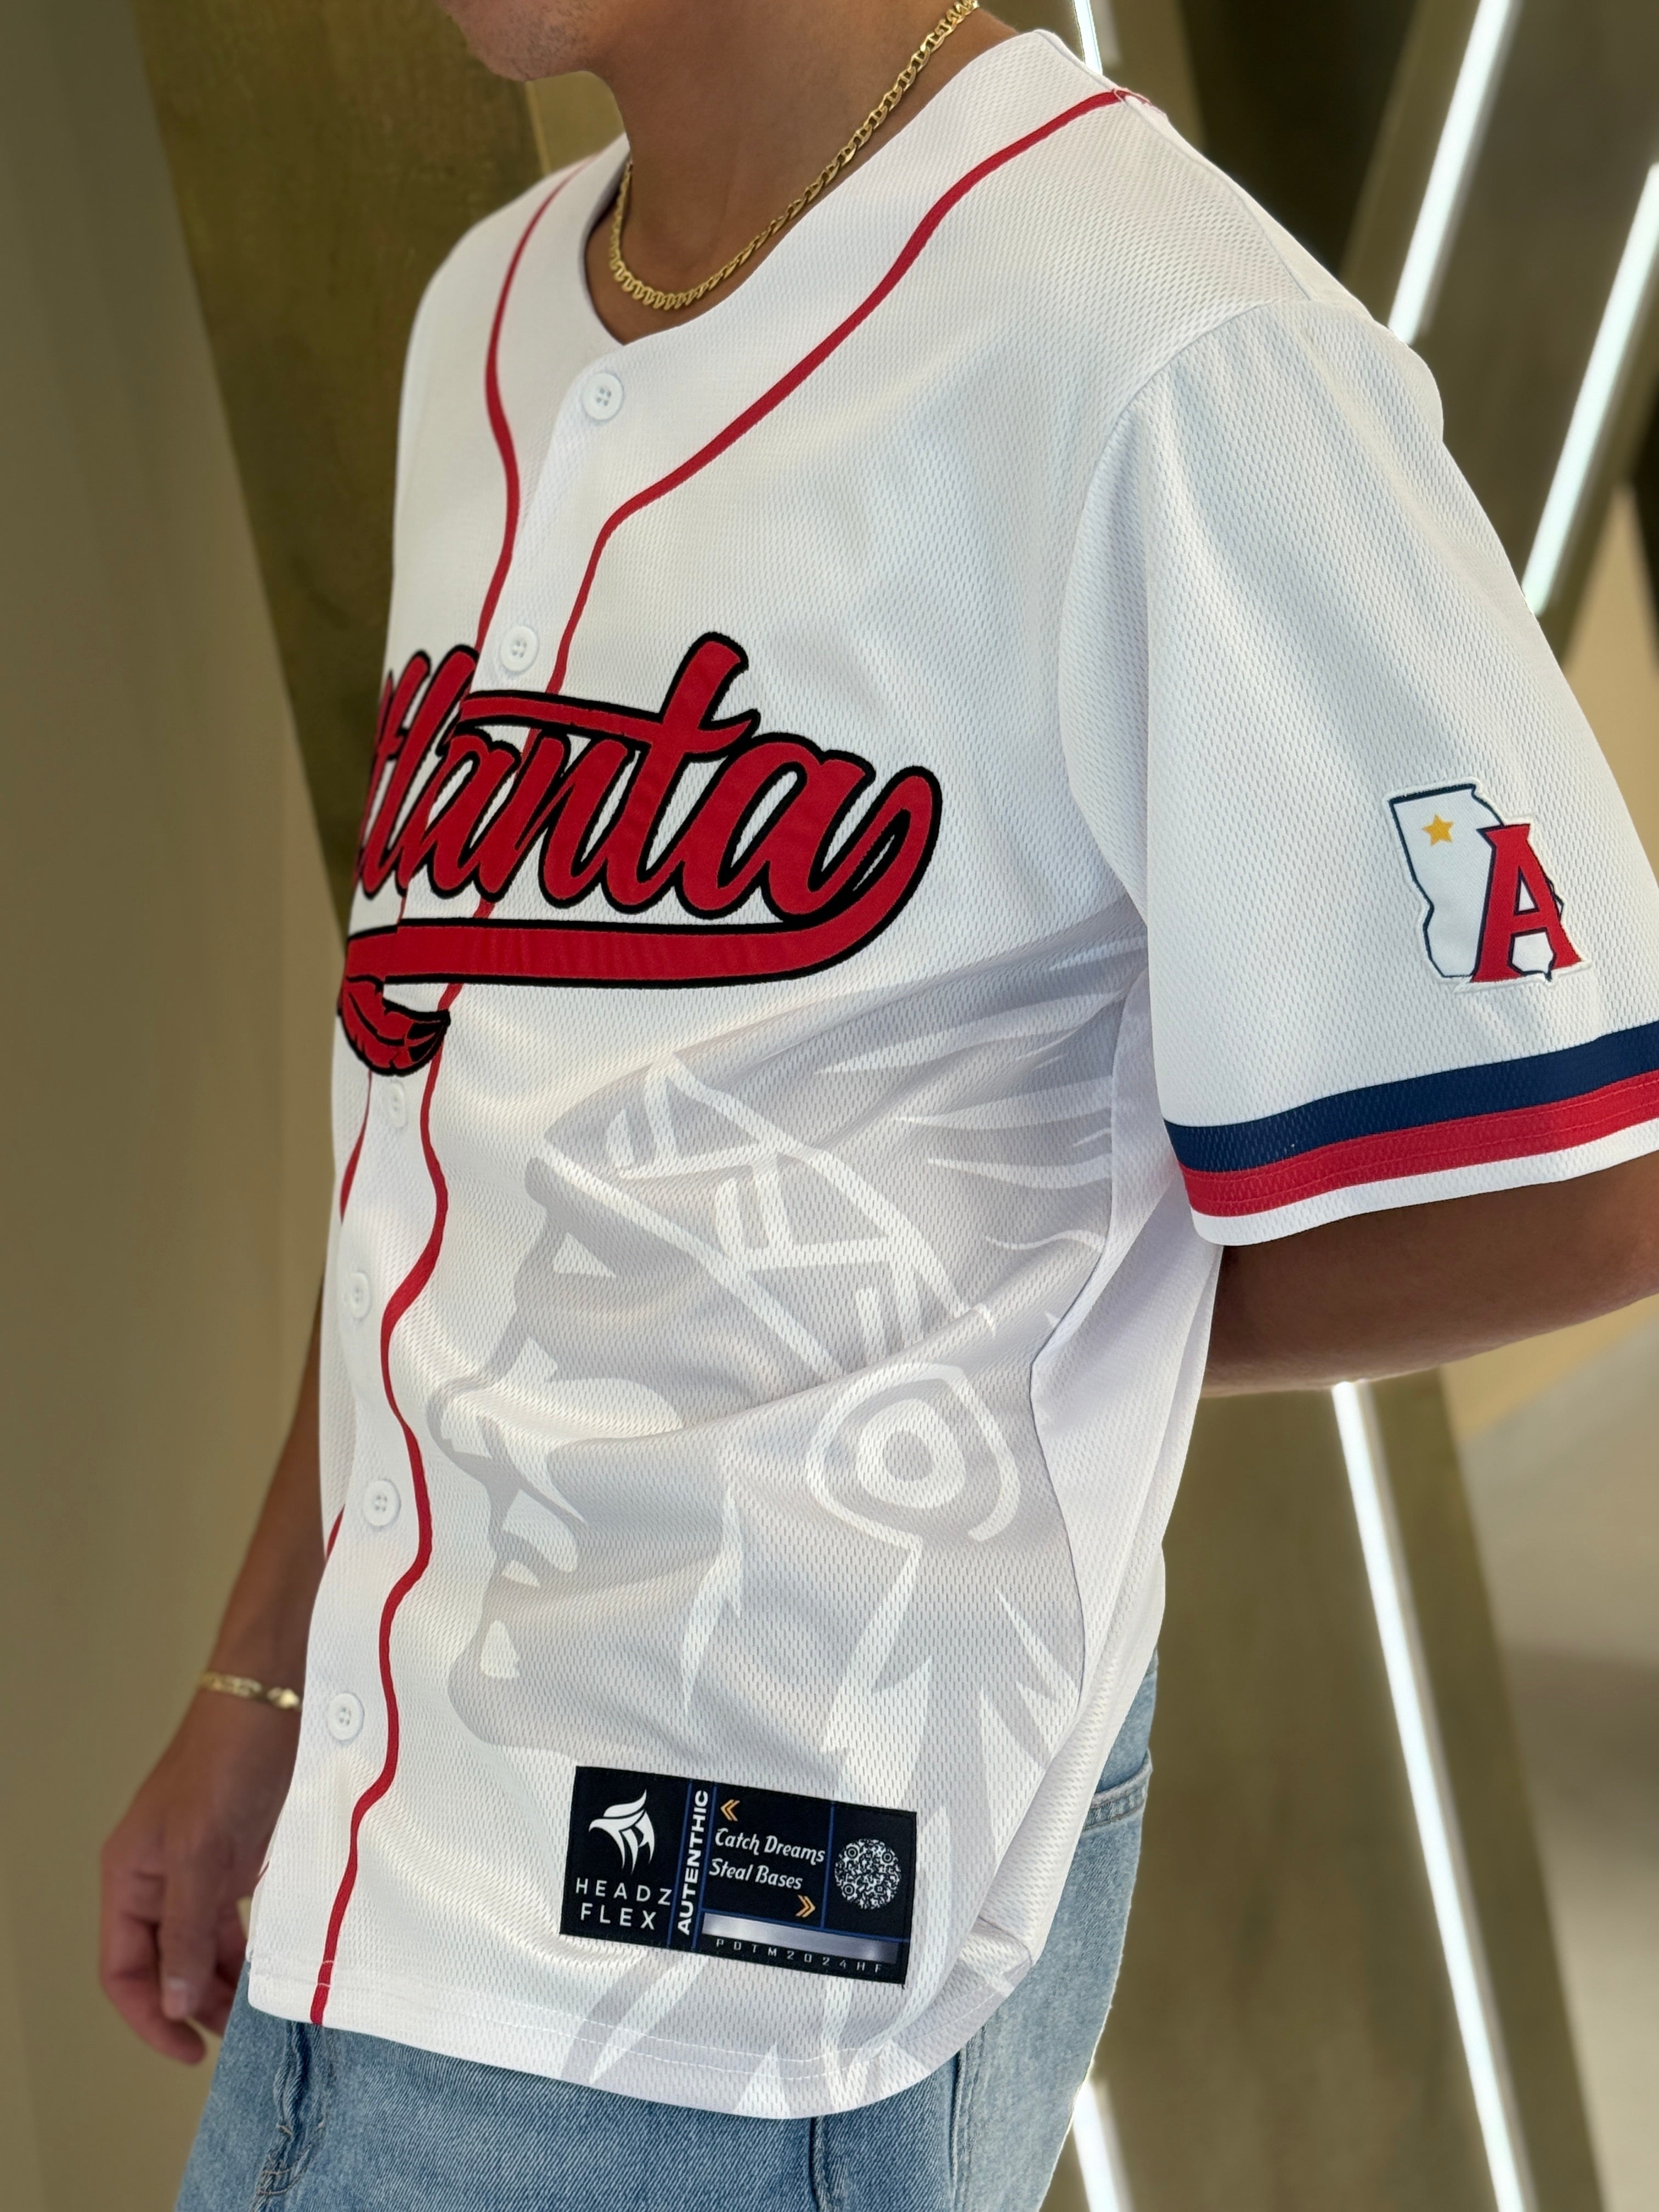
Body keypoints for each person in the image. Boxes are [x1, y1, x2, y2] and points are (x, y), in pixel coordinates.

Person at [101, 2, 1659, 2205]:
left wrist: (1027, 1321)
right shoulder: (494, 316)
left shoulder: (1162, 333)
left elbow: (1591, 1180)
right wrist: (264, 1678)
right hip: (378, 1862)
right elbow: (449, 1106)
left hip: (749, 1965)